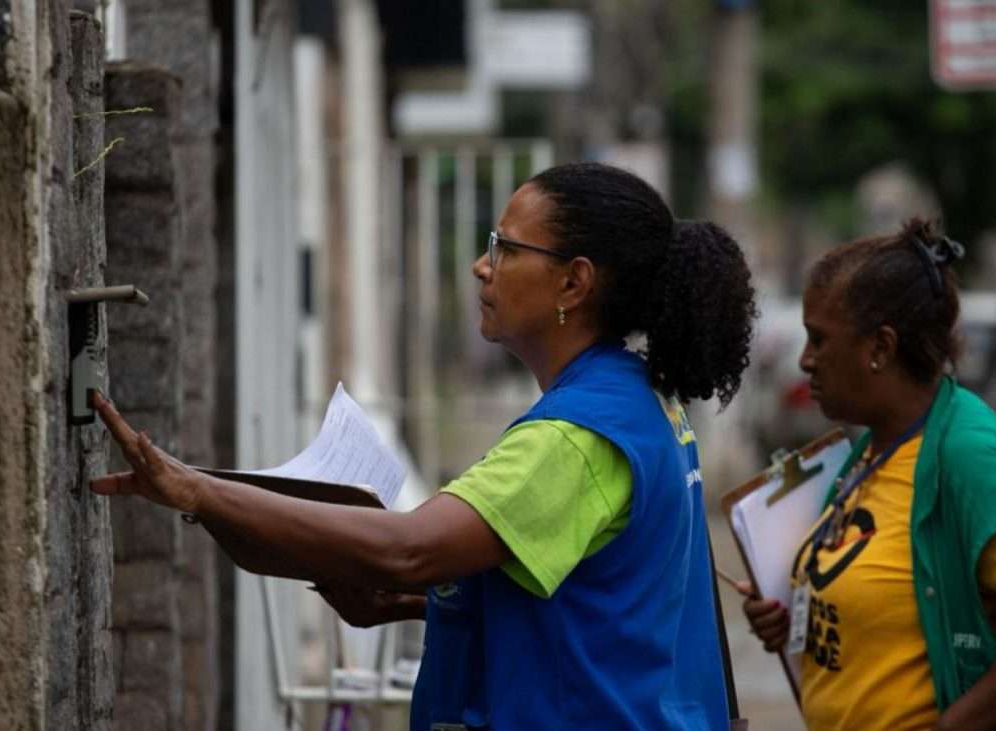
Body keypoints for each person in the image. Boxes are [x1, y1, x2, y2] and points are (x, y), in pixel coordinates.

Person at [91, 161, 758, 730]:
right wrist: (412, 603)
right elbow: (590, 594)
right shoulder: (639, 402)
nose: (480, 266)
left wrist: (194, 488)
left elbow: (407, 547)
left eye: (504, 247)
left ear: (573, 282)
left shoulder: (576, 436)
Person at [740, 218, 996, 730]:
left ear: (880, 347)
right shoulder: (871, 449)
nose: (806, 360)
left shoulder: (966, 456)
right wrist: (799, 620)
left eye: (819, 339)